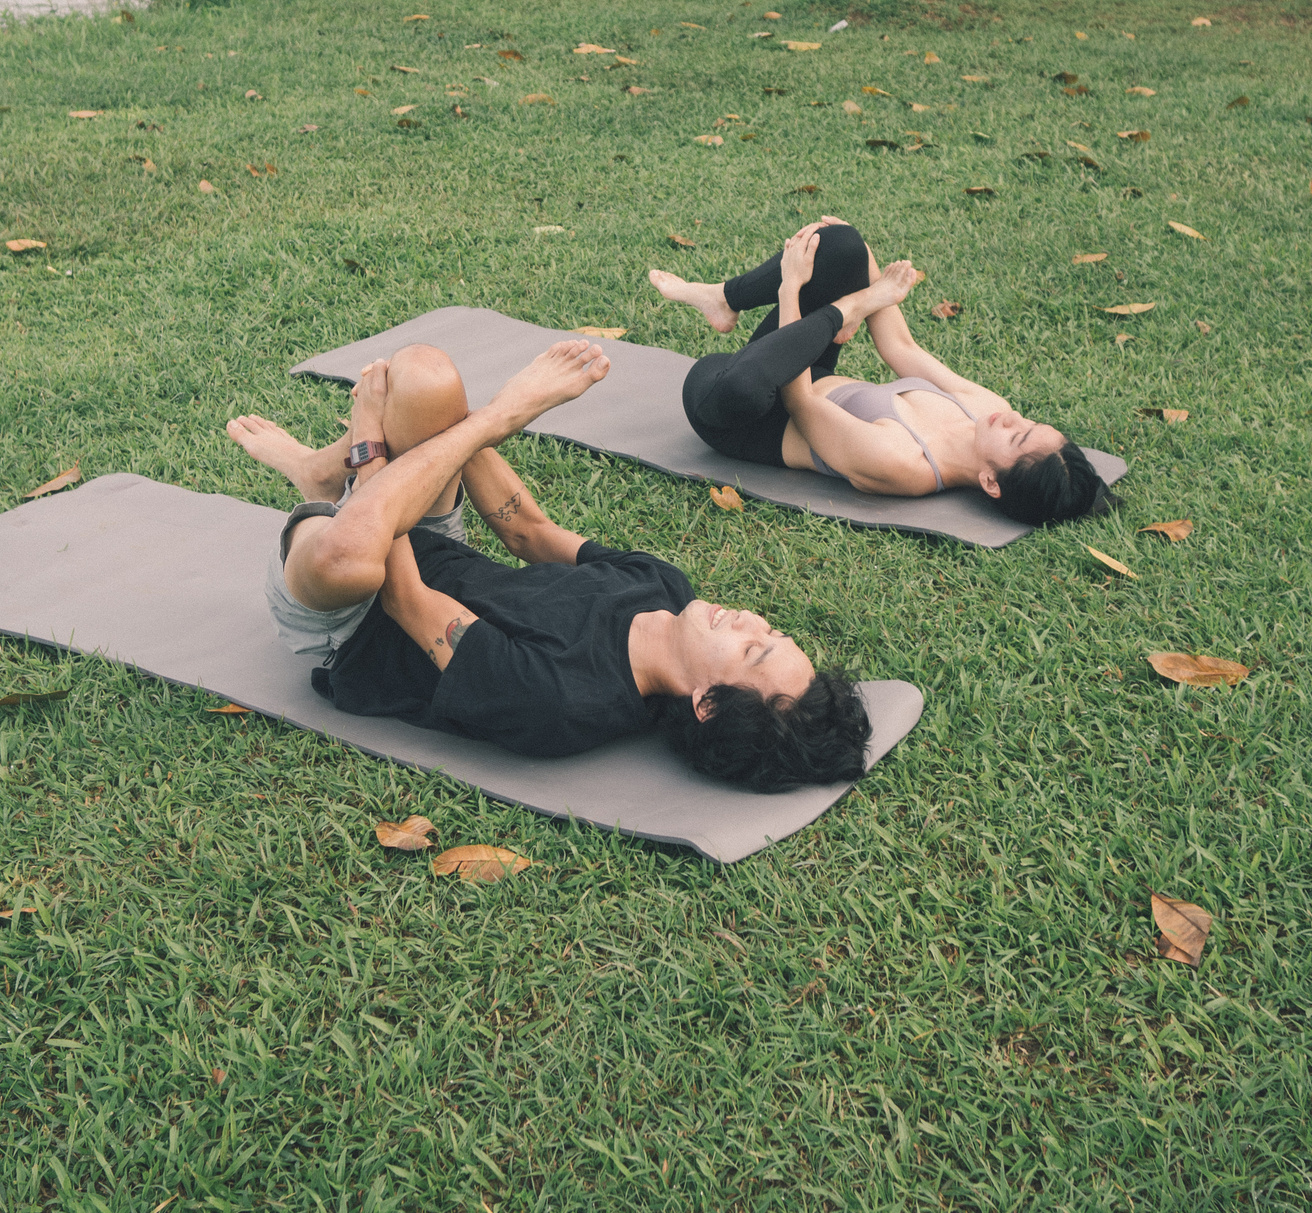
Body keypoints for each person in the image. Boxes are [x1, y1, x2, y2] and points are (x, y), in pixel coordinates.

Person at [226, 338, 870, 793]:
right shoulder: (664, 587)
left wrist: (374, 443)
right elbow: (529, 532)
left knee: (350, 558)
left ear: (706, 704)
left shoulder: (563, 702)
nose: (751, 622)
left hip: (354, 614)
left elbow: (405, 600)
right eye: (772, 631)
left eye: (752, 650)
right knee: (424, 375)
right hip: (429, 538)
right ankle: (322, 472)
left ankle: (327, 482)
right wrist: (468, 422)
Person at [649, 220, 1101, 526]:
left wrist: (792, 289)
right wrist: (859, 251)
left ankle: (846, 308)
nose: (1012, 419)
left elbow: (799, 401)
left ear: (990, 482)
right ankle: (725, 299)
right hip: (809, 361)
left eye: (1017, 437)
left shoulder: (904, 464)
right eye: (1030, 423)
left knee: (746, 385)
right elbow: (900, 347)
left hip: (738, 408)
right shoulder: (987, 410)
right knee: (841, 242)